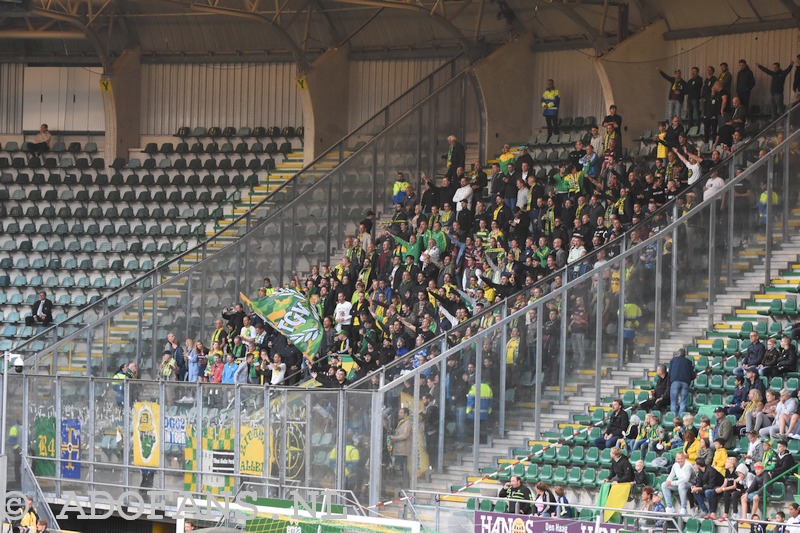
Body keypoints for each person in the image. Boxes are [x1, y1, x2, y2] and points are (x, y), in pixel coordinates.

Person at [389, 407, 411, 486]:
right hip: (399, 449)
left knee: (403, 468)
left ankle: (405, 484)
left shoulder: (407, 423)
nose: (399, 414)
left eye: (401, 413)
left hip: (403, 449)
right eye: (399, 412)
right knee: (399, 468)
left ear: (405, 414)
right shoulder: (401, 422)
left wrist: (394, 438)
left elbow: (405, 435)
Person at [668, 348, 695, 415]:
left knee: (674, 401)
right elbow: (692, 375)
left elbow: (669, 373)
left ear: (677, 354)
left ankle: (673, 418)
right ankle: (681, 418)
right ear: (685, 355)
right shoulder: (688, 362)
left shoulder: (673, 360)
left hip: (675, 381)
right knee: (683, 401)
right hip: (685, 382)